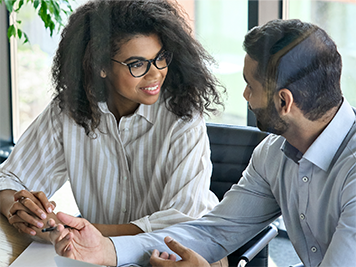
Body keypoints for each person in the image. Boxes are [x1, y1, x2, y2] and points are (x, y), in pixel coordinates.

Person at [48, 18, 356, 267]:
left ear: (284, 101)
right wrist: (106, 249)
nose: (245, 96)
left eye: (251, 86)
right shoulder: (274, 154)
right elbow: (212, 232)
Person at [0, 0, 225, 250]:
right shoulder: (69, 109)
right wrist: (23, 210)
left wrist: (78, 232)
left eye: (160, 57)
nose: (156, 73)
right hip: (98, 254)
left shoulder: (183, 117)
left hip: (182, 254)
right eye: (137, 64)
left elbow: (180, 222)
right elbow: (8, 178)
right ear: (100, 67)